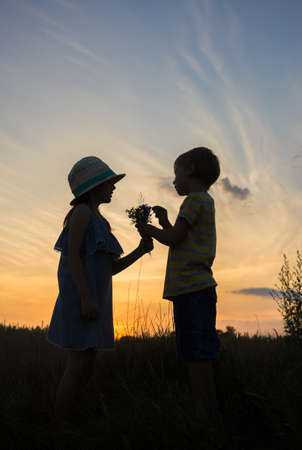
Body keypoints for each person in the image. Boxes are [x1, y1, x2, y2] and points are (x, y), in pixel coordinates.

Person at [47, 156, 153, 425]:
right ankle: (59, 425)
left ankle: (71, 417)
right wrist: (85, 297)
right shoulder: (82, 214)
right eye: (109, 183)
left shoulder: (101, 223)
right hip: (82, 301)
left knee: (87, 364)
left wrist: (140, 252)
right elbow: (71, 257)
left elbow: (110, 269)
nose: (113, 187)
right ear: (95, 186)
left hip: (94, 302)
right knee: (78, 365)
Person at [137, 147, 220, 414]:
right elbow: (180, 237)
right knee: (201, 351)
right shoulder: (204, 201)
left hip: (191, 290)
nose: (173, 180)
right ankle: (208, 407)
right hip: (198, 289)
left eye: (176, 173)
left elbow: (173, 240)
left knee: (194, 352)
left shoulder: (193, 201)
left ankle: (202, 412)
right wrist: (163, 221)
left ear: (190, 169)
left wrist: (148, 229)